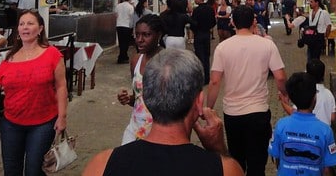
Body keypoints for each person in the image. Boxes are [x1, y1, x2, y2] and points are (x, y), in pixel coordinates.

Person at [84, 49, 243, 176]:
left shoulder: (102, 164)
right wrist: (219, 149)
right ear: (199, 102)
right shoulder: (225, 169)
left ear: (145, 98)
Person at [0, 10, 68, 176]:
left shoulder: (52, 54)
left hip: (43, 123)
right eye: (22, 24)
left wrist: (62, 117)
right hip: (12, 124)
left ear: (40, 29)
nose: (25, 27)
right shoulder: (10, 57)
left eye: (30, 23)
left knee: (34, 171)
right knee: (11, 171)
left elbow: (61, 87)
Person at [207, 4, 287, 176]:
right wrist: (284, 95)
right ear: (253, 21)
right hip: (258, 111)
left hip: (232, 113)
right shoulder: (267, 45)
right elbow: (280, 77)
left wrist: (209, 107)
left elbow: (214, 82)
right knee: (257, 163)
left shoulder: (222, 48)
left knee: (237, 160)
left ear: (233, 22)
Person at [268, 72, 336, 176]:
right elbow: (327, 169)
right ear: (314, 98)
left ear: (292, 99)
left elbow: (276, 157)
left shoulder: (281, 125)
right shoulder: (325, 131)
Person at [117, 14, 163, 144]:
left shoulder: (167, 62)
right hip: (134, 129)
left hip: (159, 133)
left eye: (146, 35)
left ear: (158, 35)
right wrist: (128, 99)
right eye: (137, 35)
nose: (140, 40)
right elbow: (138, 99)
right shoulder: (136, 60)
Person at [278, 59, 336, 126]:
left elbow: (294, 112)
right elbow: (333, 117)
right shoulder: (328, 93)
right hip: (324, 129)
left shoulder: (304, 90)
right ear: (323, 75)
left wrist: (283, 103)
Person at [191, 0, 216, 84]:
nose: (194, 0)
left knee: (199, 56)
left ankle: (200, 77)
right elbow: (214, 22)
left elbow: (193, 23)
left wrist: (195, 30)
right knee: (206, 56)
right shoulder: (210, 9)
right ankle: (207, 77)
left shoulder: (196, 11)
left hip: (198, 34)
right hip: (207, 34)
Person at [116, 0, 135, 64]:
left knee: (121, 42)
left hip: (119, 25)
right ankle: (122, 57)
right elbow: (131, 17)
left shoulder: (118, 6)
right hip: (127, 26)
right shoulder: (130, 7)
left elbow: (116, 15)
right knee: (126, 43)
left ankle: (123, 56)